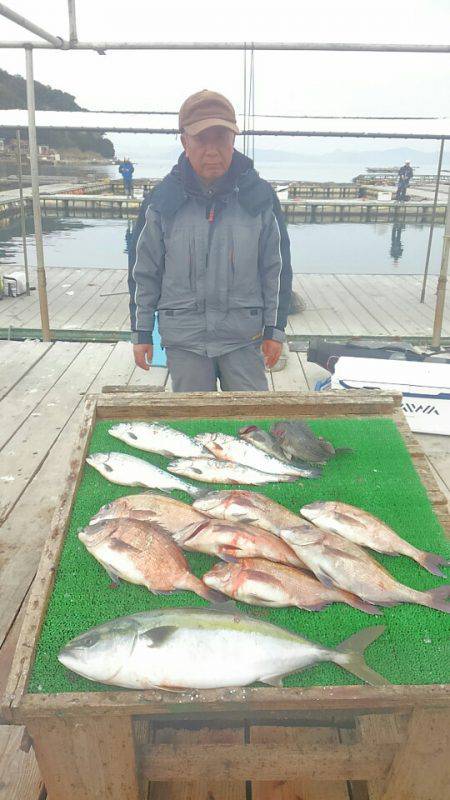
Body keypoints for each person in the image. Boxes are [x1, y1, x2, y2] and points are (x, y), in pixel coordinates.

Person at [128, 89, 292, 392]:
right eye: (202, 139)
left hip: (244, 338)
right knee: (194, 422)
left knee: (252, 423)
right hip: (185, 339)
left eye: (221, 138)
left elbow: (276, 270)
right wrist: (141, 333)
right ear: (184, 142)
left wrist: (274, 328)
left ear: (233, 142)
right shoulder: (161, 202)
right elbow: (144, 273)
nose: (212, 150)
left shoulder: (260, 198)